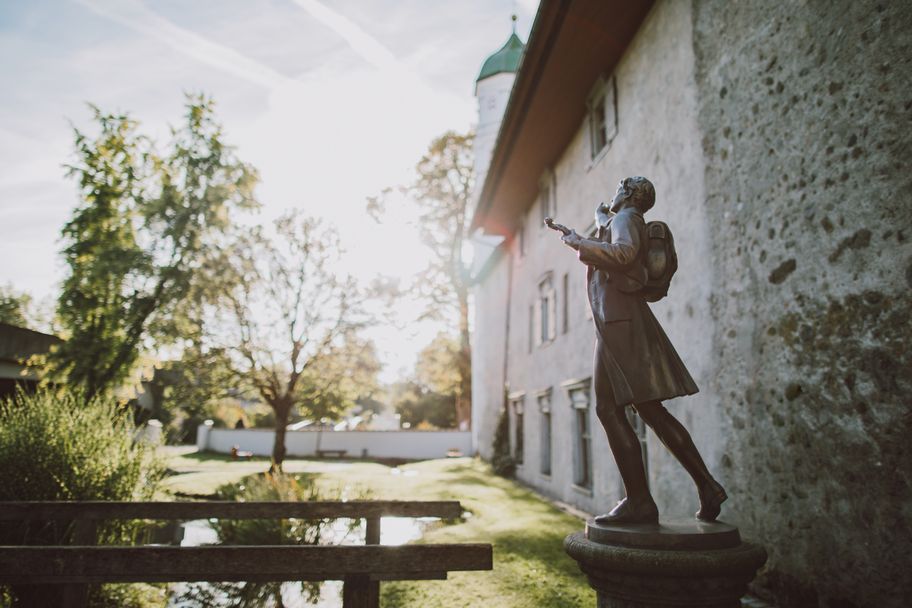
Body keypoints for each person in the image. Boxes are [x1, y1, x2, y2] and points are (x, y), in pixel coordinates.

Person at [556, 176, 727, 524]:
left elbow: (623, 254)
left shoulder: (626, 218)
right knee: (647, 410)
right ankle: (702, 487)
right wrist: (599, 224)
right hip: (620, 320)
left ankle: (642, 501)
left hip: (619, 322)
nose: (614, 191)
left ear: (629, 193)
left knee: (613, 409)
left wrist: (578, 242)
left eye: (619, 187)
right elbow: (619, 249)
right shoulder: (625, 219)